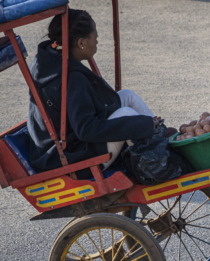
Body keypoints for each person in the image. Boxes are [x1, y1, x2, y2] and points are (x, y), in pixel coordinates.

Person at [27, 9, 172, 172]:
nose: (97, 42)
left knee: (127, 96)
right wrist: (142, 125)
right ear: (81, 43)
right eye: (95, 37)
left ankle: (160, 138)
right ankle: (155, 163)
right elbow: (86, 129)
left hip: (62, 144)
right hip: (70, 157)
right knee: (127, 113)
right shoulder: (72, 78)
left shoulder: (47, 59)